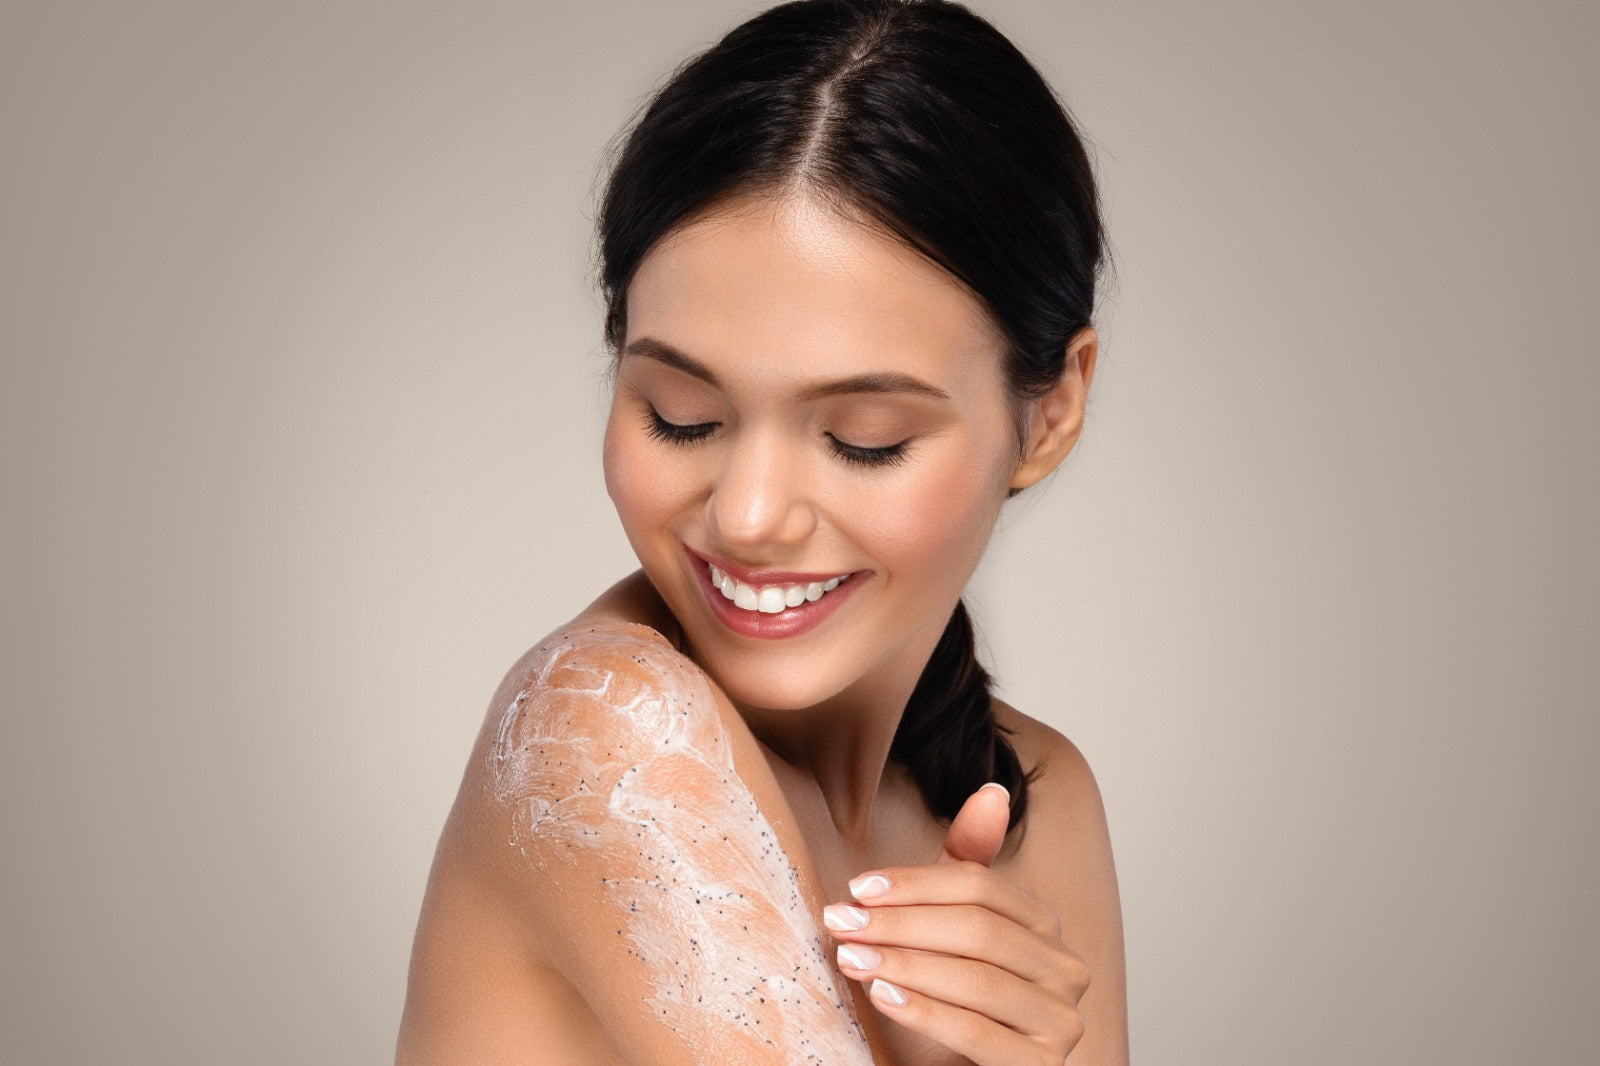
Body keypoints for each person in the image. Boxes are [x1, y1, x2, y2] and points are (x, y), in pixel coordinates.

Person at [398, 1, 1126, 1062]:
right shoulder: (610, 740)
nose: (744, 515)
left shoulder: (1036, 801)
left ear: (1049, 413)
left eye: (862, 437)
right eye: (679, 415)